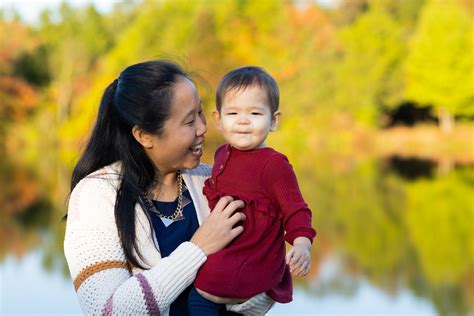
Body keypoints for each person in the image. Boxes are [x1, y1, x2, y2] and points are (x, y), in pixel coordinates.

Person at [63, 60, 275, 315]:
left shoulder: (214, 180)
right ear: (144, 136)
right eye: (189, 122)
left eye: (200, 113)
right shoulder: (96, 195)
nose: (203, 128)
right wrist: (197, 249)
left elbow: (263, 283)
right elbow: (107, 311)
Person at [188, 66, 317, 315]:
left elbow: (296, 209)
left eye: (255, 113)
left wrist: (302, 244)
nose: (243, 120)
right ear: (219, 120)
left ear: (274, 121)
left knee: (207, 293)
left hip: (250, 273)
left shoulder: (274, 164)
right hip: (217, 269)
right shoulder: (221, 154)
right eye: (233, 112)